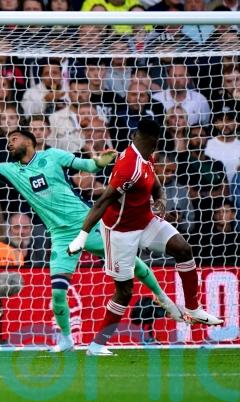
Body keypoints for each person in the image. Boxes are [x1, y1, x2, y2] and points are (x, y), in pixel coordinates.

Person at [0, 125, 182, 353]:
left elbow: (87, 165)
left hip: (87, 224)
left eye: (14, 138)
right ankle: (66, 340)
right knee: (57, 293)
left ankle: (162, 297)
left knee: (130, 263)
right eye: (8, 140)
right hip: (60, 236)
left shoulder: (52, 156)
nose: (9, 143)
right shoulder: (10, 170)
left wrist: (99, 163)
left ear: (30, 141)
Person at [68, 119, 223, 357]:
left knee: (183, 249)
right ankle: (96, 346)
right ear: (154, 140)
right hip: (120, 232)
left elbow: (157, 186)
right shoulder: (129, 167)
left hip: (145, 220)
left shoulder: (145, 156)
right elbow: (102, 202)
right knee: (124, 291)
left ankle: (193, 309)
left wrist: (160, 201)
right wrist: (82, 237)